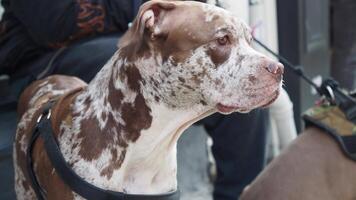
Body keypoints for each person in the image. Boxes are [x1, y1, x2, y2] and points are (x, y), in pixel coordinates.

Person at [0, 0, 269, 199]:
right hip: (46, 57)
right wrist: (143, 10)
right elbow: (54, 23)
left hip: (127, 40)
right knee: (126, 59)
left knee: (242, 90)